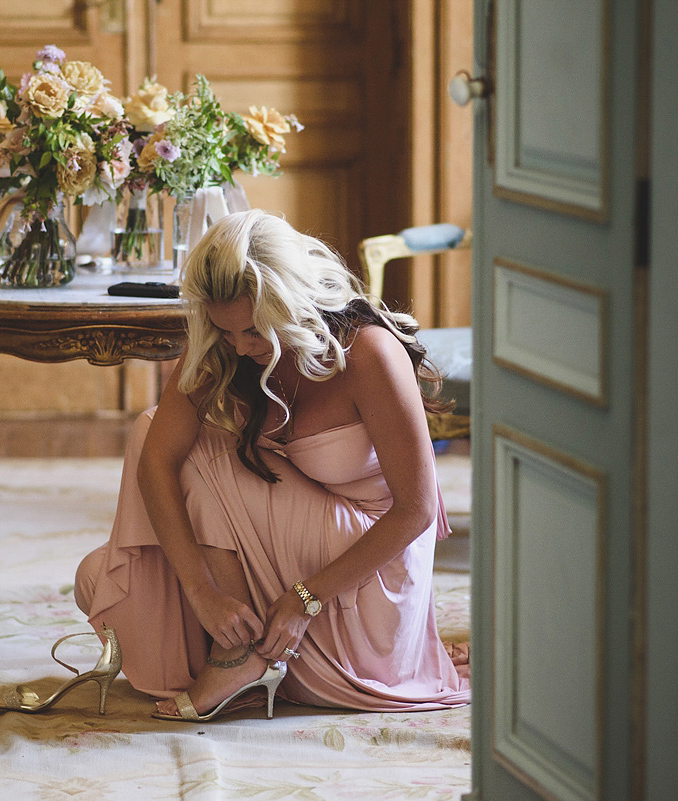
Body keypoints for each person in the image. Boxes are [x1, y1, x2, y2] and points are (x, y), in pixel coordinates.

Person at [73, 209, 470, 720]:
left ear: (293, 299)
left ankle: (239, 657)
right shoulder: (226, 339)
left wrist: (307, 596)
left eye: (255, 331)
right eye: (227, 331)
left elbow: (415, 511)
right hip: (297, 541)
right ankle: (238, 647)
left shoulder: (369, 352)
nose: (241, 346)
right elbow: (156, 464)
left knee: (185, 445)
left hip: (368, 576)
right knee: (99, 578)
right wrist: (199, 592)